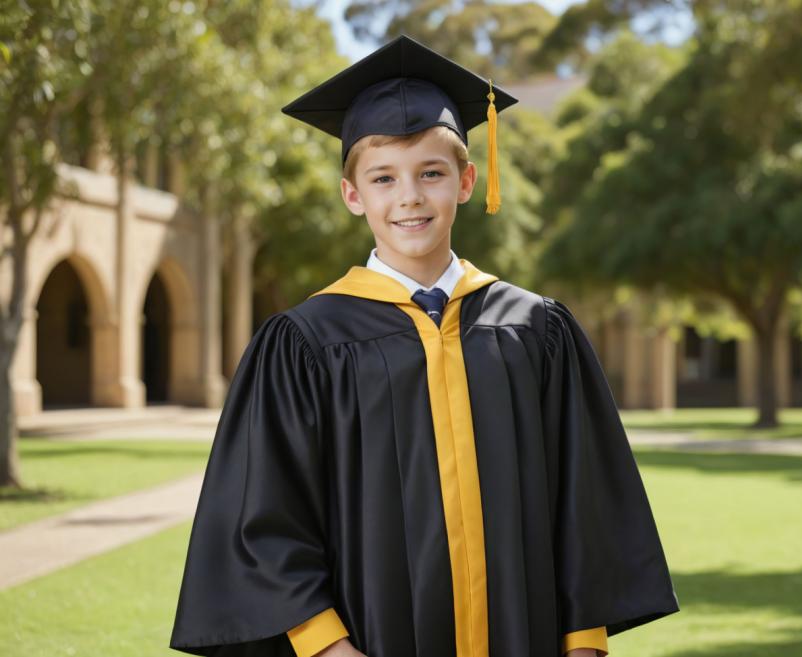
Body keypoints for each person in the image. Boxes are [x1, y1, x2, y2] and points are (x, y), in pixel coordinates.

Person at [169, 34, 679, 657]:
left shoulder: (534, 330)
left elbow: (582, 500)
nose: (409, 196)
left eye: (431, 173)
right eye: (383, 178)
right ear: (353, 195)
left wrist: (584, 642)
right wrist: (328, 648)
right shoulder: (307, 342)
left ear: (466, 182)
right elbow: (264, 517)